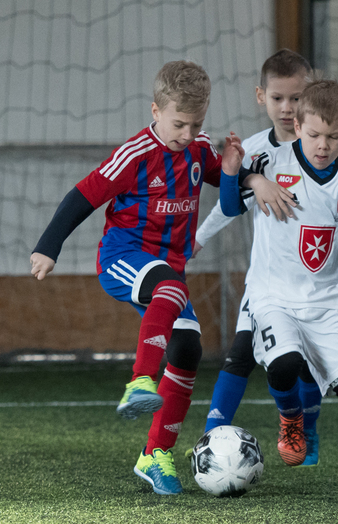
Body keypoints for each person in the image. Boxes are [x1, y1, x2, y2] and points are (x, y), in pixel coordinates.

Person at [29, 60, 296, 495]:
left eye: (197, 124)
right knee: (170, 288)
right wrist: (48, 247)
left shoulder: (198, 147)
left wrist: (249, 176)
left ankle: (155, 455)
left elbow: (219, 175)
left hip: (167, 272)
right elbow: (82, 196)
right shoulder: (135, 154)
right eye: (179, 124)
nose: (188, 134)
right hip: (123, 258)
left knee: (188, 349)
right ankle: (139, 381)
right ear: (156, 111)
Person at [218, 78, 338, 488]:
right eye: (314, 134)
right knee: (284, 365)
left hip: (326, 301)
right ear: (298, 126)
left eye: (333, 137)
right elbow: (230, 206)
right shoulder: (270, 161)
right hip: (272, 297)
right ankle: (291, 419)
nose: (323, 145)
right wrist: (234, 173)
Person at [193, 49, 328, 467]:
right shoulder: (253, 151)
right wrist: (197, 238)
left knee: (305, 365)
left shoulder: (323, 147)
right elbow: (229, 206)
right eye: (277, 98)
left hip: (313, 283)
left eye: (296, 98)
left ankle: (307, 431)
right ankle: (210, 439)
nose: (287, 108)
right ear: (260, 97)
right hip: (266, 281)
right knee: (240, 354)